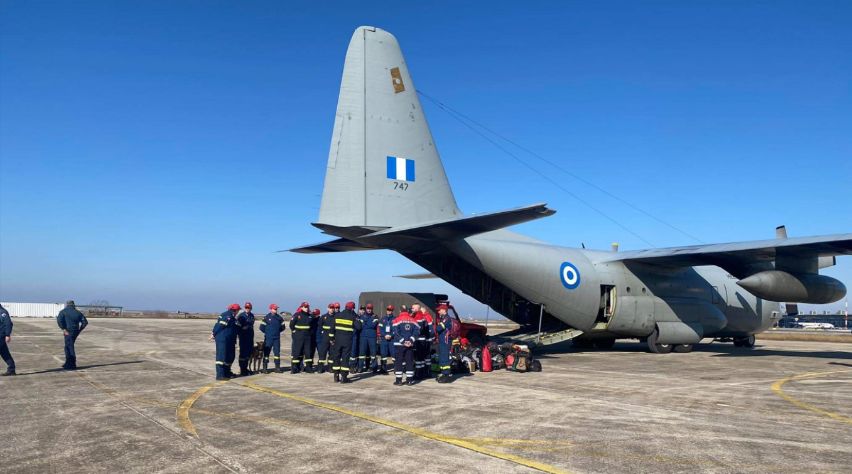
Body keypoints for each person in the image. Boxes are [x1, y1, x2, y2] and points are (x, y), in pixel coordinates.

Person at [329, 301, 362, 383]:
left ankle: (336, 376)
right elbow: (359, 327)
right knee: (345, 358)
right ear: (352, 308)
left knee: (336, 357)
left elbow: (332, 328)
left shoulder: (337, 315)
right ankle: (344, 377)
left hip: (337, 340)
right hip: (347, 341)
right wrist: (356, 317)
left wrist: (331, 338)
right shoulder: (353, 316)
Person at [56, 300, 88, 370]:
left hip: (68, 331)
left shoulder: (63, 312)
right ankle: (68, 362)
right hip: (75, 331)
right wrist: (79, 330)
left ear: (67, 304)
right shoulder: (78, 313)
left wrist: (64, 329)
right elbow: (85, 322)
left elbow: (59, 320)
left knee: (69, 347)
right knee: (67, 346)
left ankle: (72, 364)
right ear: (73, 305)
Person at [210, 304, 239, 379]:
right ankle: (220, 375)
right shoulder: (227, 315)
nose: (238, 312)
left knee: (230, 356)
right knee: (221, 357)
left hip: (230, 340)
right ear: (235, 310)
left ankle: (227, 372)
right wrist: (214, 333)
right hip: (223, 339)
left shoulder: (233, 317)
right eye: (238, 310)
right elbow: (219, 325)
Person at [392, 310, 418, 385]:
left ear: (400, 312)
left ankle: (399, 381)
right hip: (410, 345)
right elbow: (416, 332)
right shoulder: (413, 320)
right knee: (409, 362)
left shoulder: (397, 320)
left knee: (399, 362)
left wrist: (403, 341)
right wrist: (410, 341)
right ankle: (409, 380)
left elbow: (395, 332)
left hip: (399, 345)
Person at [259, 304, 285, 373]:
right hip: (268, 338)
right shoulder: (266, 318)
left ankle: (277, 368)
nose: (276, 310)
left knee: (277, 353)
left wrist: (276, 332)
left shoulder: (279, 318)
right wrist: (268, 333)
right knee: (266, 353)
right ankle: (265, 368)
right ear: (270, 309)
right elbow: (261, 327)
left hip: (276, 338)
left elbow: (283, 327)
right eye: (274, 309)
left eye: (276, 309)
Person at [411, 304, 434, 379]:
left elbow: (425, 329)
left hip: (421, 340)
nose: (412, 309)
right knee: (426, 357)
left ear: (419, 309)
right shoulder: (427, 316)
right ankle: (426, 372)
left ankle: (420, 373)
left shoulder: (422, 316)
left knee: (420, 358)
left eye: (413, 308)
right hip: (426, 339)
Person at [289, 302, 313, 373]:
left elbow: (311, 326)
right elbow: (291, 325)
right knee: (296, 352)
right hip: (298, 336)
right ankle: (294, 367)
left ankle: (308, 367)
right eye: (305, 307)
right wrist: (294, 332)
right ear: (302, 307)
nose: (306, 308)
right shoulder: (297, 315)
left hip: (307, 337)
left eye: (307, 307)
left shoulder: (310, 316)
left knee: (308, 352)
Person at [358, 303, 380, 373]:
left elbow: (373, 325)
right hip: (363, 337)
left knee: (373, 353)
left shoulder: (375, 316)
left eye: (370, 309)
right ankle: (360, 367)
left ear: (372, 309)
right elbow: (361, 326)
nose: (369, 310)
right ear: (366, 309)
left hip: (372, 337)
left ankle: (374, 367)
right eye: (368, 308)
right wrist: (368, 323)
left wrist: (365, 322)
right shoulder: (362, 316)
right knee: (362, 353)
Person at [435, 304, 453, 383]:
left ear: (444, 310)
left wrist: (437, 326)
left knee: (445, 358)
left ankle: (446, 375)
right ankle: (443, 373)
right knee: (442, 358)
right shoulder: (442, 318)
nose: (438, 311)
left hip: (445, 341)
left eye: (439, 310)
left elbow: (439, 328)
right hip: (442, 341)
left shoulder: (446, 318)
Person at [236, 301, 256, 376]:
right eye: (246, 307)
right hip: (243, 337)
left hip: (250, 337)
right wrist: (242, 329)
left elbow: (251, 324)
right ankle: (242, 369)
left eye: (249, 308)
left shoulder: (252, 316)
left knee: (248, 353)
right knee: (243, 354)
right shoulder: (241, 316)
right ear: (245, 308)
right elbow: (238, 327)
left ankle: (245, 368)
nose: (247, 309)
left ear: (251, 308)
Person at [316, 304, 335, 374]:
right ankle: (320, 368)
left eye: (333, 308)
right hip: (325, 337)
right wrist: (322, 334)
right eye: (330, 308)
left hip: (333, 338)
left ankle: (330, 368)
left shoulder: (336, 317)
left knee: (332, 353)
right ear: (328, 309)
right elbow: (320, 327)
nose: (332, 309)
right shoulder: (323, 317)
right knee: (322, 353)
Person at [377, 305, 395, 375]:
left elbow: (396, 329)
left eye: (390, 310)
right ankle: (383, 369)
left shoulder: (395, 319)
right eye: (387, 309)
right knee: (383, 354)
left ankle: (396, 368)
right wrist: (384, 335)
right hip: (384, 339)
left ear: (392, 311)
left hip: (392, 339)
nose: (388, 311)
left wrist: (391, 335)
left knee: (393, 354)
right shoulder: (382, 319)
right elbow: (380, 329)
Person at [0, 303, 15, 376]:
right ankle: (11, 369)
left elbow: (8, 323)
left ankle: (11, 369)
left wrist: (7, 335)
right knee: (4, 353)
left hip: (1, 335)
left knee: (4, 353)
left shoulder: (3, 312)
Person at [350, 305, 365, 372]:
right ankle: (352, 366)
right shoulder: (356, 316)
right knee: (353, 353)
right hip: (355, 337)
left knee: (361, 353)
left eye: (363, 310)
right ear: (359, 310)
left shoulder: (366, 317)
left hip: (363, 337)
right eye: (361, 309)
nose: (362, 311)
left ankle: (360, 367)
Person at [308, 308, 321, 373]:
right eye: (314, 314)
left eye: (316, 314)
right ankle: (309, 365)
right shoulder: (311, 319)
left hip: (319, 339)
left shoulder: (320, 319)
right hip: (312, 338)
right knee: (311, 353)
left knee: (321, 353)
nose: (314, 315)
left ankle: (320, 367)